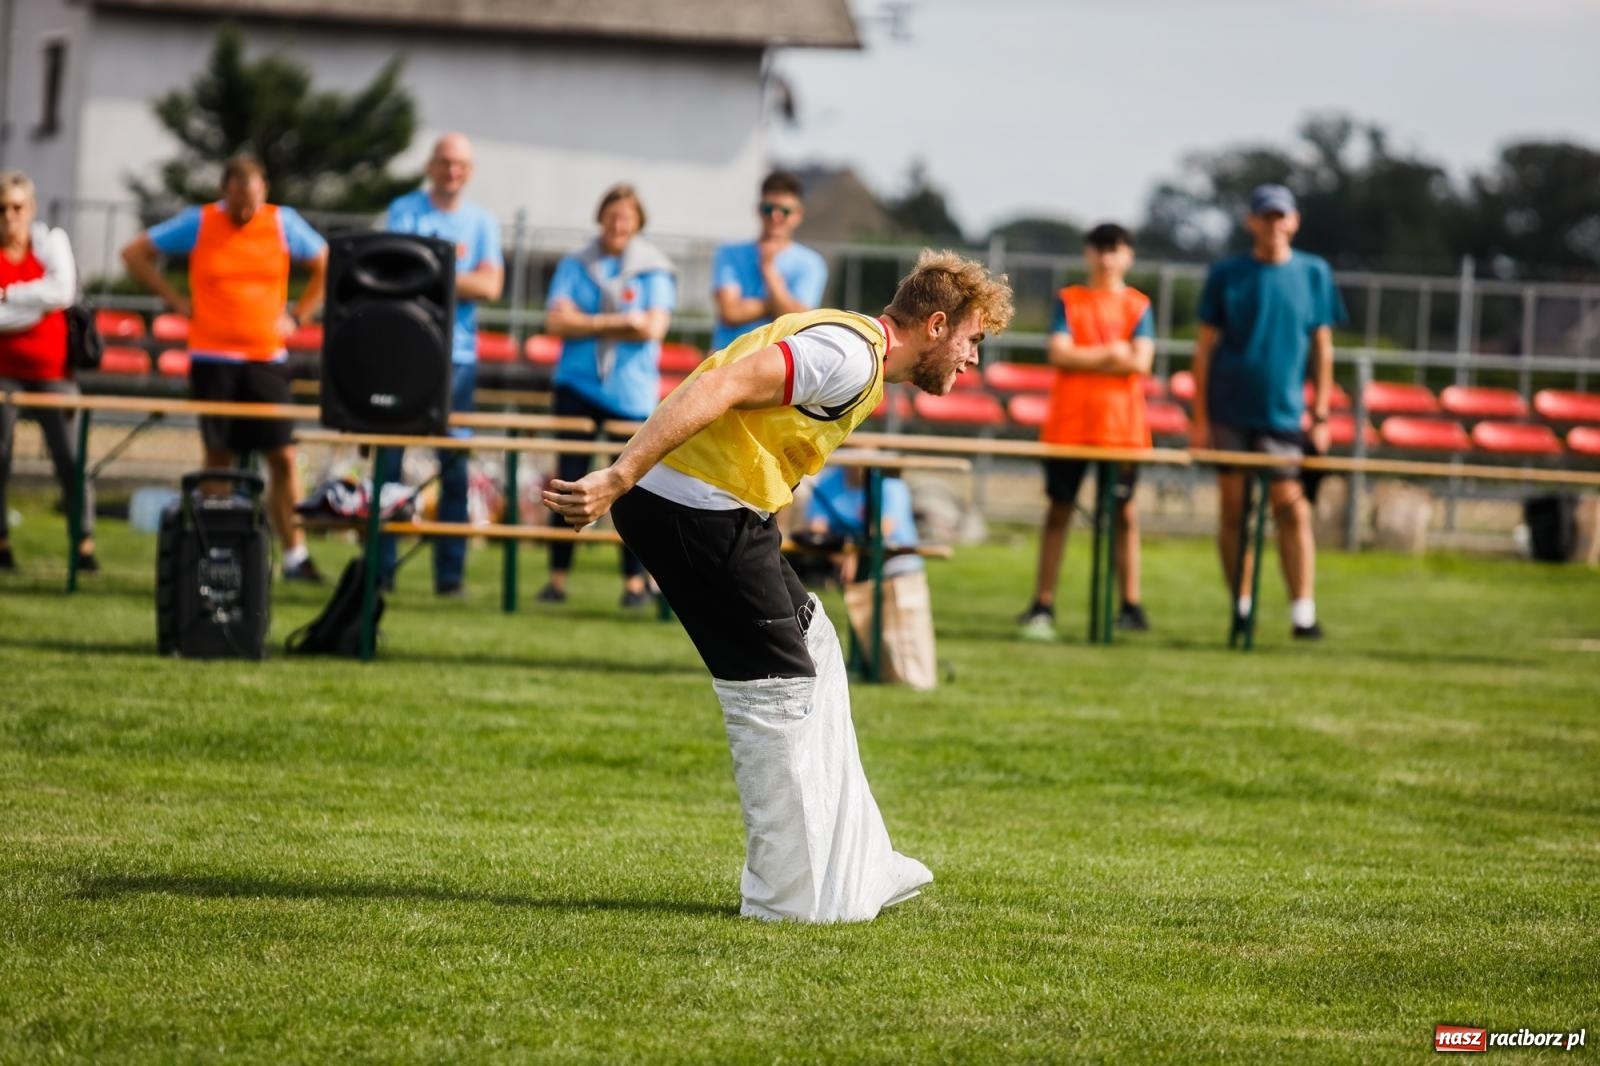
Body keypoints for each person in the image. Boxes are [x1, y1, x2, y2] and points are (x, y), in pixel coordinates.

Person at [544, 249, 1013, 923]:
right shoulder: (849, 357)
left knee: (818, 647)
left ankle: (863, 862)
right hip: (694, 510)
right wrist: (618, 477)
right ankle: (785, 901)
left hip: (723, 510)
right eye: (972, 340)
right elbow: (719, 386)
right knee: (777, 691)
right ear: (937, 325)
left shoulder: (860, 351)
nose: (972, 360)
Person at [121, 154, 328, 582]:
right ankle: (217, 551)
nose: (245, 211)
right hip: (212, 358)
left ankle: (295, 555)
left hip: (267, 359)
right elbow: (135, 253)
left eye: (252, 201)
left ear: (264, 191)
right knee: (219, 456)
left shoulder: (283, 223)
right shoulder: (200, 222)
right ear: (224, 192)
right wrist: (175, 301)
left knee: (283, 456)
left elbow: (327, 264)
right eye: (237, 202)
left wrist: (298, 316)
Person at [1190, 184, 1346, 640]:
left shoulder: (1313, 272)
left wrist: (1320, 415)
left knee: (1291, 508)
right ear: (1252, 222)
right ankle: (1241, 606)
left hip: (1284, 413)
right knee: (1234, 509)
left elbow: (1322, 346)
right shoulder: (1227, 273)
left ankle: (1303, 612)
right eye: (1266, 216)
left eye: (1281, 216)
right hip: (1229, 409)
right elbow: (1204, 349)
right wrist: (1200, 419)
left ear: (1294, 221)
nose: (1274, 224)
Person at [378, 132, 505, 596]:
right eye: (445, 162)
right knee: (389, 464)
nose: (452, 171)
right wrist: (455, 275)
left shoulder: (482, 222)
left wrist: (428, 270)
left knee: (453, 467)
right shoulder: (404, 210)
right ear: (430, 166)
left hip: (458, 360)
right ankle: (380, 571)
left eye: (461, 164)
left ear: (469, 172)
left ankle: (449, 578)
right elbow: (392, 271)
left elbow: (491, 286)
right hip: (403, 351)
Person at [540, 183, 675, 608]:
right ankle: (557, 579)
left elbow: (652, 328)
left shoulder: (655, 268)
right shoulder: (576, 262)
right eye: (612, 216)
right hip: (576, 386)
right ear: (600, 218)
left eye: (626, 218)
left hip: (629, 394)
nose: (618, 224)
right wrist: (620, 322)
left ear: (638, 223)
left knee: (631, 490)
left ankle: (634, 584)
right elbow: (555, 322)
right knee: (568, 484)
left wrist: (587, 321)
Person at [1018, 222, 1156, 640]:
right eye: (1099, 248)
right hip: (1069, 426)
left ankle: (1130, 604)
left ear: (1128, 256)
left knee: (1125, 515)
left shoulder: (1138, 305)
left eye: (1115, 249)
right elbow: (1059, 353)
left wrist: (1088, 356)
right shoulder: (1070, 300)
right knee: (1058, 510)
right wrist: (1112, 352)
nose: (1106, 257)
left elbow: (1141, 361)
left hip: (1122, 429)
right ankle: (1042, 602)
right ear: (1087, 254)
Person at [0, 170, 95, 573]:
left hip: (54, 373)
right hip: (3, 374)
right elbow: (48, 296)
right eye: (2, 208)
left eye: (17, 207)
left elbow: (62, 292)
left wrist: (9, 295)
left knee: (71, 460)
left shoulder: (50, 243)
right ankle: (1, 543)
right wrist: (38, 305)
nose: (10, 216)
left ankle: (83, 544)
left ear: (31, 208)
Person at [710, 170, 827, 353]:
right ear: (758, 209)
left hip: (778, 362)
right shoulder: (729, 252)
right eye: (768, 209)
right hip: (728, 357)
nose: (775, 216)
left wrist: (768, 270)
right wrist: (776, 304)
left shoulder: (812, 263)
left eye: (785, 211)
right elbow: (730, 313)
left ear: (798, 215)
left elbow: (798, 323)